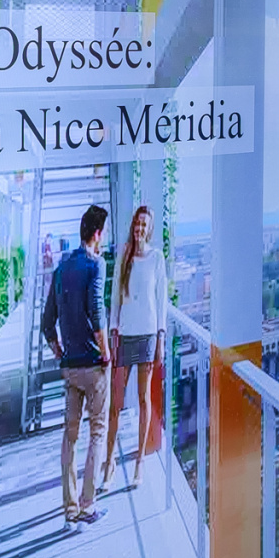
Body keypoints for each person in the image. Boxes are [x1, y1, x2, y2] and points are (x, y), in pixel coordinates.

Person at [40, 203, 111, 525]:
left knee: (70, 436)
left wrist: (60, 353)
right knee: (97, 432)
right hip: (93, 366)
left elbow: (47, 323)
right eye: (102, 233)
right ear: (97, 234)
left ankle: (69, 508)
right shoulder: (96, 264)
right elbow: (97, 312)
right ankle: (88, 505)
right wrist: (106, 352)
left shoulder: (61, 268)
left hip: (70, 367)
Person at [107, 205, 167, 486]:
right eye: (137, 223)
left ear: (150, 229)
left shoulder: (157, 258)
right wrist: (113, 330)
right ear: (133, 226)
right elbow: (115, 296)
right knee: (116, 402)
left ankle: (139, 463)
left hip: (148, 336)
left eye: (145, 224)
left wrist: (161, 339)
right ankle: (109, 462)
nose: (140, 228)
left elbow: (162, 300)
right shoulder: (125, 254)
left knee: (144, 399)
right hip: (125, 335)